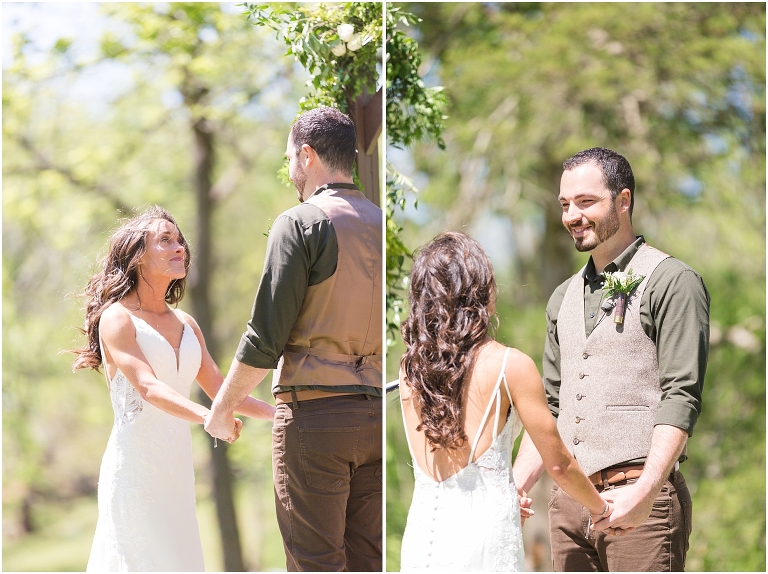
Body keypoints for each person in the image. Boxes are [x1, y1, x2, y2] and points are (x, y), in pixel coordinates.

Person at [512, 147, 709, 571]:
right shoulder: (561, 298)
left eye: (586, 202)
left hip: (641, 505)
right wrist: (515, 485)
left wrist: (646, 493)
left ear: (623, 200)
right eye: (565, 204)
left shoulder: (674, 282)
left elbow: (682, 396)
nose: (571, 216)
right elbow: (549, 407)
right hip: (567, 510)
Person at [204, 106, 383, 572]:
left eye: (289, 158)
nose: (289, 170)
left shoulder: (301, 222)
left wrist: (222, 409)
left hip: (315, 417)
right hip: (374, 418)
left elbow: (265, 336)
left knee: (315, 563)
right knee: (369, 562)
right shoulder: (380, 222)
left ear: (307, 155)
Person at [72, 206, 274, 572]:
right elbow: (148, 387)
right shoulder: (117, 319)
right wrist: (212, 419)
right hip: (134, 470)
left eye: (179, 239)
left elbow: (222, 390)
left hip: (176, 472)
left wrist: (281, 415)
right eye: (165, 240)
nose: (179, 246)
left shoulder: (186, 323)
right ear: (137, 257)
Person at [398, 231, 614, 572]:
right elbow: (558, 464)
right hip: (484, 538)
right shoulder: (510, 365)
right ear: (480, 291)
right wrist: (602, 509)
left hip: (423, 537)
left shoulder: (409, 372)